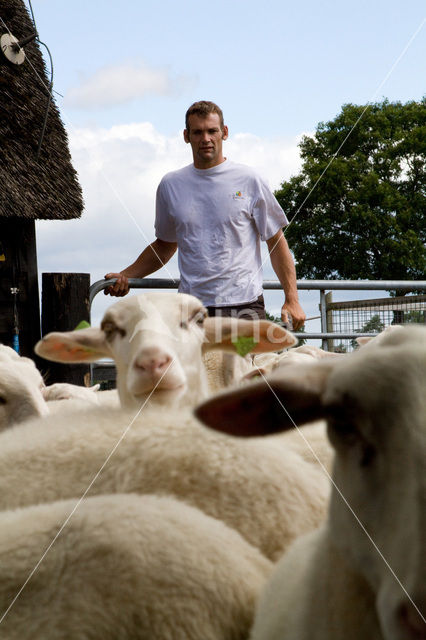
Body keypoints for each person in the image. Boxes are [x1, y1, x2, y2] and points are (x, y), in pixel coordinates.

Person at [105, 101, 305, 329]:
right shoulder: (171, 185)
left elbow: (276, 240)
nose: (206, 138)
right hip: (191, 310)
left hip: (244, 307)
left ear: (225, 132)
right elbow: (164, 245)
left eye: (212, 131)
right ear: (186, 136)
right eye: (198, 132)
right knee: (192, 367)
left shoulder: (250, 180)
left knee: (243, 367)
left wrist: (292, 299)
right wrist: (126, 275)